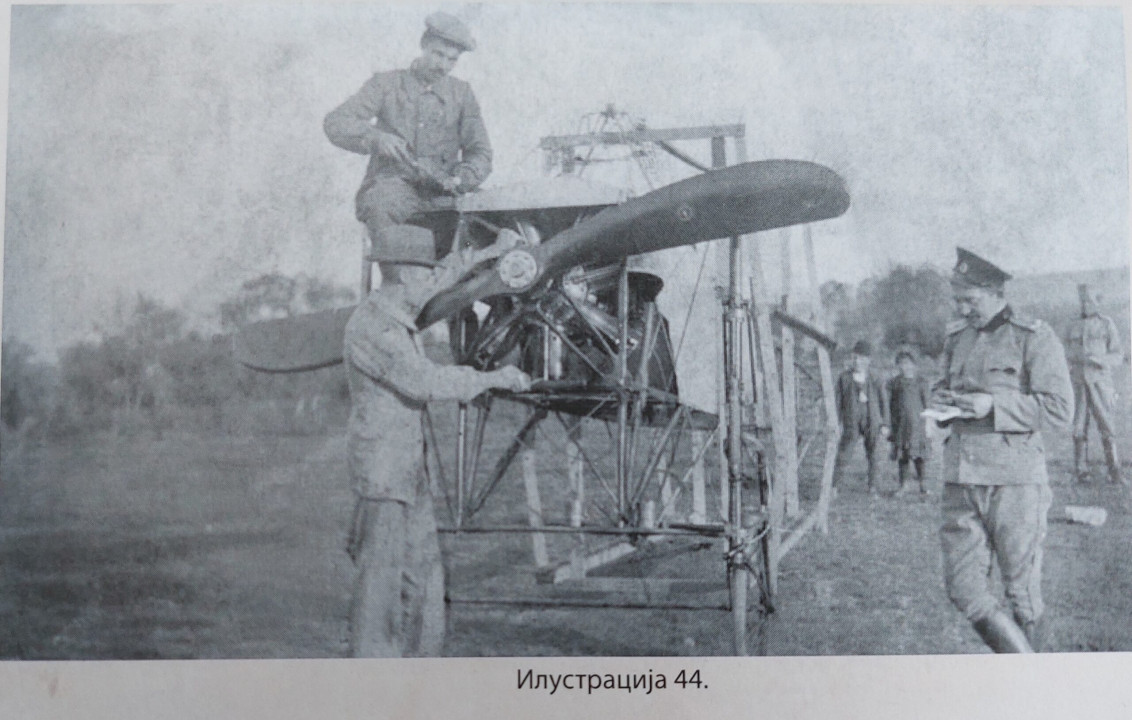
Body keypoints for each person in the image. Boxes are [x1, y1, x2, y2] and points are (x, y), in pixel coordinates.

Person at [343, 225, 530, 657]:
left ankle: (423, 676)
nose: (432, 281)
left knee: (425, 580)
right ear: (405, 275)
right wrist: (494, 378)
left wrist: (492, 252)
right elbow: (425, 382)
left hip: (409, 471)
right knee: (380, 590)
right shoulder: (375, 330)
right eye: (424, 273)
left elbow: (445, 274)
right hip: (383, 478)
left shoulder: (399, 306)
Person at [932, 247, 1073, 653]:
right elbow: (941, 386)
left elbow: (1060, 409)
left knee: (1022, 596)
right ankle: (1029, 674)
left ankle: (1038, 692)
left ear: (994, 292)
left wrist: (994, 405)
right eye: (957, 299)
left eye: (969, 300)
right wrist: (941, 403)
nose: (961, 308)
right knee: (964, 589)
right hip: (960, 479)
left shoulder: (1034, 337)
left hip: (1015, 482)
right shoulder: (957, 337)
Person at [324, 12, 492, 260]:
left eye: (451, 60)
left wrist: (462, 178)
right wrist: (375, 138)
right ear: (423, 46)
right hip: (395, 187)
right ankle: (399, 292)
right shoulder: (386, 84)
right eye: (437, 54)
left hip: (445, 194)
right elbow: (336, 122)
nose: (442, 65)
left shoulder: (462, 94)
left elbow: (480, 152)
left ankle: (451, 299)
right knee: (382, 205)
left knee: (490, 230)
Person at [1066, 284, 1126, 485]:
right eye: (1082, 300)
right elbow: (1064, 352)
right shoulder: (1073, 324)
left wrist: (1100, 359)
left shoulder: (1106, 324)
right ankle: (1081, 472)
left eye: (1090, 301)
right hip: (1078, 383)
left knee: (1107, 426)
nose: (1085, 304)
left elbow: (1118, 355)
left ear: (1098, 303)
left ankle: (1114, 471)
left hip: (1100, 382)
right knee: (1078, 428)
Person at [833, 340, 890, 495]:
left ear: (868, 360)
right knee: (844, 452)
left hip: (872, 419)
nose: (858, 362)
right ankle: (833, 486)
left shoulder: (875, 377)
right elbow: (837, 402)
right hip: (852, 420)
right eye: (855, 358)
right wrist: (836, 422)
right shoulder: (844, 378)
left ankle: (872, 486)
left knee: (874, 454)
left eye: (862, 359)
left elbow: (884, 402)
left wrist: (885, 423)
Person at [887, 348, 931, 495]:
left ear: (913, 364)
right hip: (900, 426)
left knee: (919, 456)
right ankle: (903, 485)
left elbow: (928, 405)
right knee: (903, 456)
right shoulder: (895, 383)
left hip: (918, 426)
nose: (904, 367)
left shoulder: (921, 382)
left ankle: (922, 484)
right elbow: (890, 404)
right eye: (900, 364)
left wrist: (929, 424)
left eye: (907, 363)